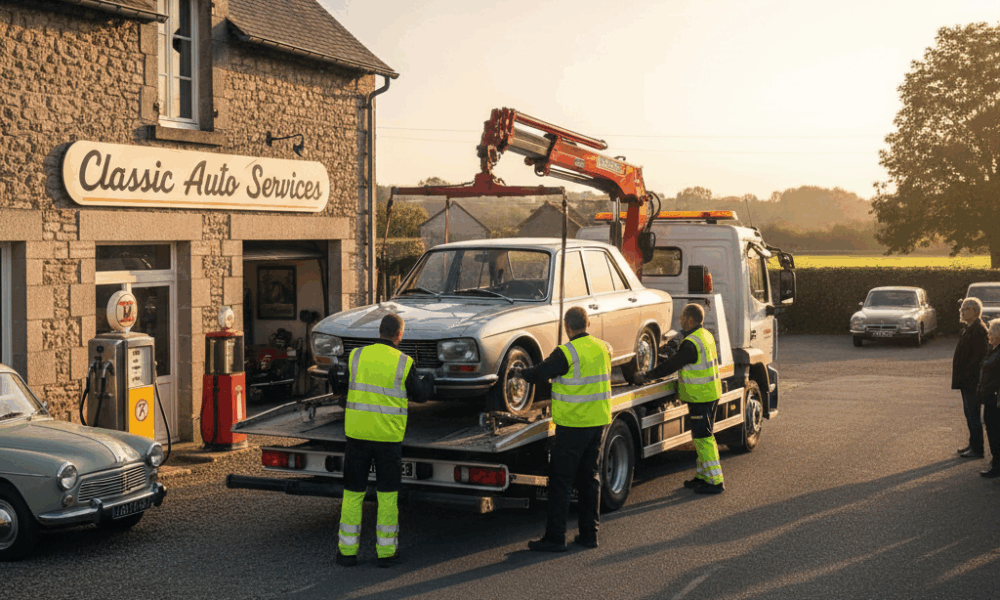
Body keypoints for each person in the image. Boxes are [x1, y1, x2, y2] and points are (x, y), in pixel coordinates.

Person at [335, 314, 434, 568]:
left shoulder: (356, 356)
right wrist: (429, 381)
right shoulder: (403, 362)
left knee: (353, 493)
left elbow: (342, 386)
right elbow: (421, 395)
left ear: (379, 331)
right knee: (387, 496)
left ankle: (347, 553)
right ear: (399, 335)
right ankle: (386, 553)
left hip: (357, 436)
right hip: (388, 440)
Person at [515, 306, 612, 552]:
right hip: (598, 422)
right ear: (588, 324)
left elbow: (540, 373)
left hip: (573, 425)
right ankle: (589, 535)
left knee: (561, 481)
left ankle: (555, 538)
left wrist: (519, 372)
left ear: (567, 327)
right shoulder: (603, 347)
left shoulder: (566, 352)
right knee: (589, 479)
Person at [634, 303, 724, 494]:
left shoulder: (691, 343)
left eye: (682, 316)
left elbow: (671, 365)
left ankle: (715, 481)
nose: (680, 319)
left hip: (700, 397)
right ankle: (703, 475)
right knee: (702, 437)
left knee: (703, 438)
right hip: (710, 393)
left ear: (689, 320)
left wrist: (647, 376)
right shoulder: (705, 335)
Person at [953, 298, 988, 458]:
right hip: (966, 381)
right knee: (969, 414)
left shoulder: (979, 330)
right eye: (962, 308)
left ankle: (977, 449)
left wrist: (969, 376)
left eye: (966, 309)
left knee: (973, 415)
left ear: (975, 311)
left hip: (972, 381)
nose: (962, 311)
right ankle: (972, 445)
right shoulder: (971, 328)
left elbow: (979, 358)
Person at [975, 318, 1000, 478]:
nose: (989, 334)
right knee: (992, 431)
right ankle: (996, 463)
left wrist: (989, 388)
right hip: (991, 397)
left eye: (991, 332)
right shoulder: (994, 350)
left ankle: (997, 466)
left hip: (995, 399)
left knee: (995, 432)